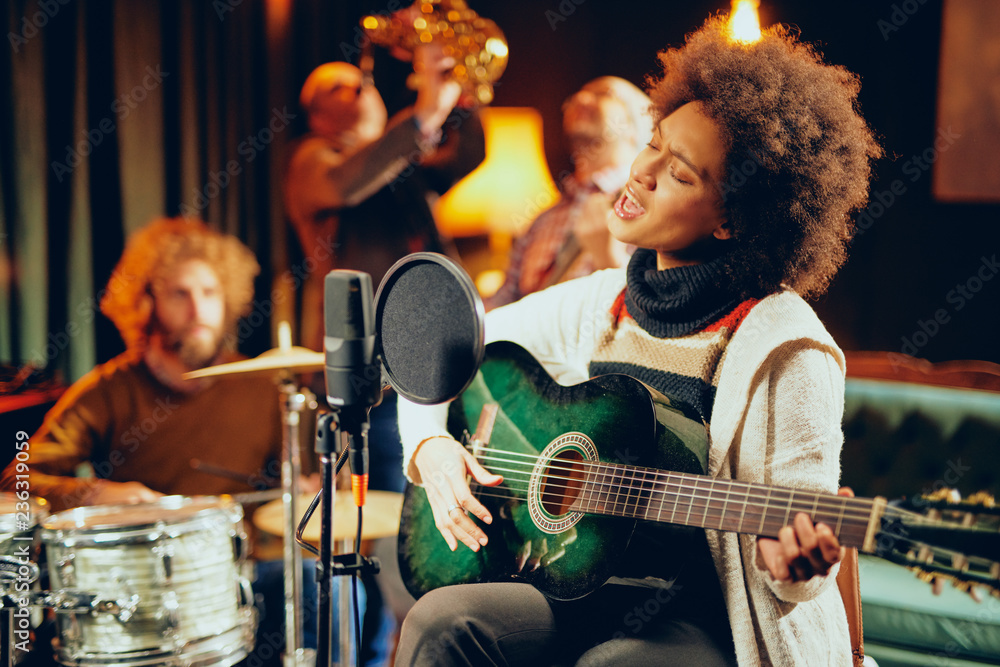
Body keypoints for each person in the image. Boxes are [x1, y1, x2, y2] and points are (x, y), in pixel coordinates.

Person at [394, 16, 882, 666]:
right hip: (591, 585)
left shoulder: (787, 349)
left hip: (712, 618)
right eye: (654, 141)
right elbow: (443, 348)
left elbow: (793, 561)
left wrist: (791, 565)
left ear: (734, 219)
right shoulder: (605, 299)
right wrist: (430, 447)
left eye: (681, 173)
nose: (643, 171)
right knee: (440, 620)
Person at [0, 218, 338, 666]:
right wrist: (97, 493)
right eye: (180, 293)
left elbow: (319, 475)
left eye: (210, 293)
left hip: (241, 575)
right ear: (147, 301)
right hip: (137, 589)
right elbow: (15, 481)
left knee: (332, 587)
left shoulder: (264, 388)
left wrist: (312, 491)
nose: (198, 308)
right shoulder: (107, 391)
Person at [283, 44, 486, 665]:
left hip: (426, 374)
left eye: (360, 82)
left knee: (426, 530)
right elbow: (354, 178)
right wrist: (425, 109)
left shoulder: (400, 163)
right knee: (370, 543)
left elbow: (466, 156)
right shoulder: (314, 162)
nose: (360, 87)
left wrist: (462, 89)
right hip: (366, 386)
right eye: (337, 88)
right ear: (317, 115)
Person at [485, 76, 651, 310]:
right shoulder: (542, 220)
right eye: (576, 96)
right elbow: (504, 304)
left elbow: (653, 314)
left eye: (605, 93)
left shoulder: (650, 210)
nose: (581, 99)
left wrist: (609, 261)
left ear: (636, 127)